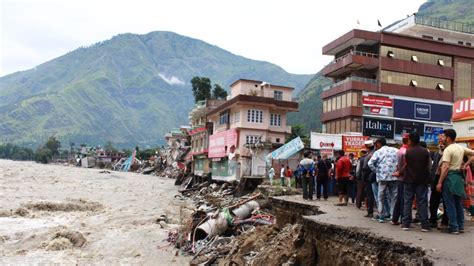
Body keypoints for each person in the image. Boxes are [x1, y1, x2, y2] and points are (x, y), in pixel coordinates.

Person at [437, 129, 474, 234]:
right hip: (458, 178)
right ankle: (460, 226)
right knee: (458, 203)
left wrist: (439, 182)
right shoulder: (460, 148)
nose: (442, 139)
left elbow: (445, 167)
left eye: (443, 137)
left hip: (449, 177)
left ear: (448, 138)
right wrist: (465, 165)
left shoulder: (448, 150)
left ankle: (454, 227)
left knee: (450, 204)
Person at [398, 132, 432, 232]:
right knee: (422, 202)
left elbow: (406, 165)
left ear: (410, 140)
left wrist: (400, 172)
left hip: (409, 179)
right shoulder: (425, 151)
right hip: (422, 180)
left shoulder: (408, 152)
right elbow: (429, 166)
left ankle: (405, 224)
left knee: (407, 201)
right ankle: (424, 225)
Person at [368, 137, 399, 223]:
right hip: (394, 177)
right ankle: (393, 216)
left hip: (382, 177)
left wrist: (377, 171)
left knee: (380, 196)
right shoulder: (396, 150)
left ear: (378, 143)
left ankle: (381, 215)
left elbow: (370, 163)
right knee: (394, 197)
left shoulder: (378, 152)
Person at [429, 143, 448, 228]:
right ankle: (433, 220)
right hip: (436, 178)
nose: (440, 145)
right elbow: (433, 167)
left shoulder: (449, 153)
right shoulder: (436, 153)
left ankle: (445, 221)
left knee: (446, 201)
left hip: (446, 178)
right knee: (434, 201)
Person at [391, 134, 409, 226]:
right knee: (403, 199)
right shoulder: (405, 151)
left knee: (399, 198)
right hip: (404, 177)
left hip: (400, 178)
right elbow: (406, 165)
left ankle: (395, 218)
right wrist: (399, 172)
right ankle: (403, 219)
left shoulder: (400, 150)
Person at [362, 140, 376, 218]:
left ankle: (370, 212)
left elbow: (365, 168)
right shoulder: (375, 153)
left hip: (369, 178)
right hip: (374, 177)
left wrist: (363, 178)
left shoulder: (370, 155)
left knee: (370, 195)